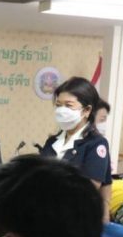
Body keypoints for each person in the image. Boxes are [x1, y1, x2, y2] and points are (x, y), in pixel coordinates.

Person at [39, 76, 112, 221]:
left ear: (87, 110)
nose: (61, 110)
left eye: (68, 105)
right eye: (58, 105)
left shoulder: (96, 144)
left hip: (76, 219)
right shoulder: (52, 142)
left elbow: (88, 189)